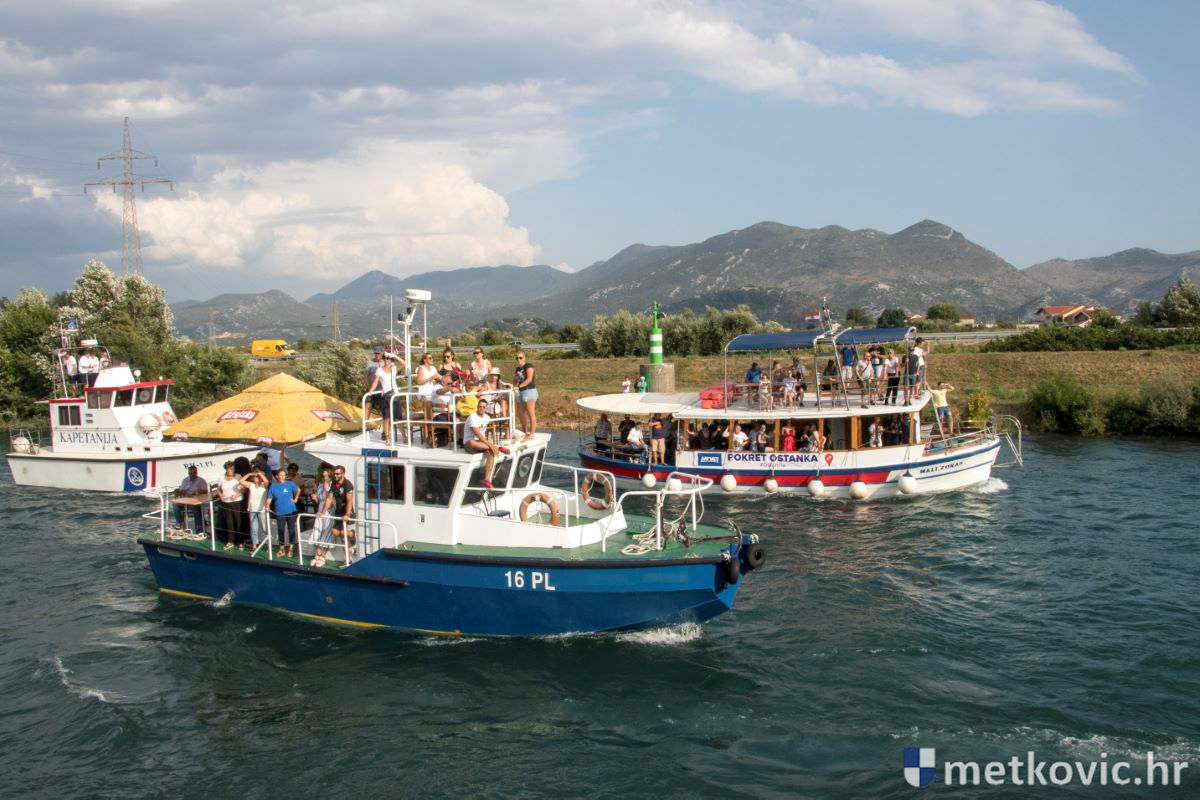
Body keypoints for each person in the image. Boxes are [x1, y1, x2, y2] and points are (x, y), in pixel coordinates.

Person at [464, 404, 511, 488]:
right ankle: (498, 448)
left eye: (484, 407)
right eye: (480, 406)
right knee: (472, 442)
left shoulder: (487, 417)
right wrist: (492, 446)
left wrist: (490, 446)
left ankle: (487, 480)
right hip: (470, 444)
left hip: (481, 443)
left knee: (490, 452)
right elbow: (478, 434)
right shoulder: (472, 417)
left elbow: (485, 433)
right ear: (477, 407)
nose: (481, 408)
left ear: (486, 409)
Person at [267, 468, 300, 559]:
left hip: (291, 511)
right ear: (277, 476)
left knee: (291, 530)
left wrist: (296, 499)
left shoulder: (290, 484)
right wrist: (267, 506)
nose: (282, 477)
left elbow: (298, 489)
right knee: (280, 530)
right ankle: (281, 549)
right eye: (281, 475)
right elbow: (269, 497)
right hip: (279, 512)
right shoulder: (273, 486)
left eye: (284, 475)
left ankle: (291, 549)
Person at [368, 352, 399, 445]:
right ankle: (387, 438)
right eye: (385, 358)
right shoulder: (379, 370)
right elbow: (375, 382)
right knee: (386, 418)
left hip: (395, 395)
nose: (386, 360)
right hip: (386, 396)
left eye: (388, 359)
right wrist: (370, 391)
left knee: (398, 418)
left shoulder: (394, 368)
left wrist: (395, 356)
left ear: (391, 360)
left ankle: (405, 437)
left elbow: (404, 364)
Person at [215, 461, 244, 550]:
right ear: (226, 469)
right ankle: (230, 541)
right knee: (229, 522)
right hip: (226, 502)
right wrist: (221, 496)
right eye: (231, 469)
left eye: (233, 469)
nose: (232, 470)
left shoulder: (238, 476)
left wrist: (237, 495)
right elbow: (218, 489)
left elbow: (244, 489)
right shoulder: (221, 478)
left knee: (238, 521)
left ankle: (240, 541)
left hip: (236, 502)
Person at [310, 467, 335, 567]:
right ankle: (317, 555)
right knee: (317, 531)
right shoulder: (320, 484)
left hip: (329, 511)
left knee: (327, 533)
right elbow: (319, 499)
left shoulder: (332, 484)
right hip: (320, 510)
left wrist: (326, 481)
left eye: (324, 471)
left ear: (328, 473)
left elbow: (328, 492)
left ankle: (322, 556)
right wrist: (314, 497)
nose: (322, 472)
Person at [172, 466, 208, 533]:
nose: (192, 475)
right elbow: (181, 490)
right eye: (190, 473)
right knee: (175, 506)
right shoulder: (185, 480)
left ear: (196, 473)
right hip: (185, 500)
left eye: (194, 473)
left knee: (196, 509)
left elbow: (205, 491)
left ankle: (199, 529)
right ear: (188, 473)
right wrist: (184, 493)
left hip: (195, 500)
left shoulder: (201, 480)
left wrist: (200, 492)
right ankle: (180, 523)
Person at [240, 470, 270, 548]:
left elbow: (267, 481)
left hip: (261, 510)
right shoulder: (251, 485)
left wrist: (260, 474)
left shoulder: (264, 485)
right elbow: (241, 481)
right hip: (252, 510)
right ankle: (254, 545)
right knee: (254, 529)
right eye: (254, 476)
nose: (255, 477)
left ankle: (268, 544)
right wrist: (249, 474)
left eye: (257, 477)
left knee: (264, 528)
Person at [329, 465, 355, 551]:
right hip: (338, 512)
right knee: (335, 532)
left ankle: (347, 557)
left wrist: (347, 514)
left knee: (343, 536)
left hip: (347, 512)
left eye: (338, 474)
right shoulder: (333, 483)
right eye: (334, 474)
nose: (335, 475)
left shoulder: (348, 484)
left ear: (343, 474)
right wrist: (322, 512)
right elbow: (329, 498)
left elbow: (349, 501)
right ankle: (350, 534)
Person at [513, 351, 537, 441]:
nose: (518, 359)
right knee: (519, 413)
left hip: (528, 390)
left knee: (530, 412)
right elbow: (515, 380)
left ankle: (532, 434)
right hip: (520, 392)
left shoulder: (528, 366)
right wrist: (514, 386)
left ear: (524, 358)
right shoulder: (517, 369)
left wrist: (519, 386)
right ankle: (524, 432)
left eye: (520, 357)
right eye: (517, 358)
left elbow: (529, 379)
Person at [415, 351, 440, 428]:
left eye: (432, 358)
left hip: (432, 393)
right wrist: (431, 378)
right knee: (429, 409)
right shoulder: (421, 368)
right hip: (424, 394)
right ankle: (429, 429)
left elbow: (440, 377)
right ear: (425, 360)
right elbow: (419, 382)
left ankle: (438, 426)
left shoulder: (433, 368)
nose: (432, 359)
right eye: (430, 358)